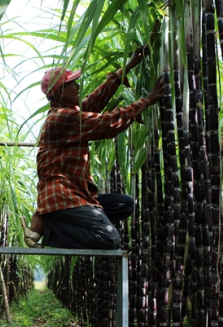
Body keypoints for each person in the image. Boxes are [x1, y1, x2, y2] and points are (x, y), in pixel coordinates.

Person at [23, 46, 166, 249]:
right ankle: (48, 228)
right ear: (62, 92)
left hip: (77, 194)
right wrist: (146, 101)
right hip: (63, 197)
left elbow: (94, 101)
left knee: (124, 203)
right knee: (110, 238)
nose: (78, 87)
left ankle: (54, 220)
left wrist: (127, 67)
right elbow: (108, 124)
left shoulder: (67, 113)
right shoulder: (60, 118)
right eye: (73, 84)